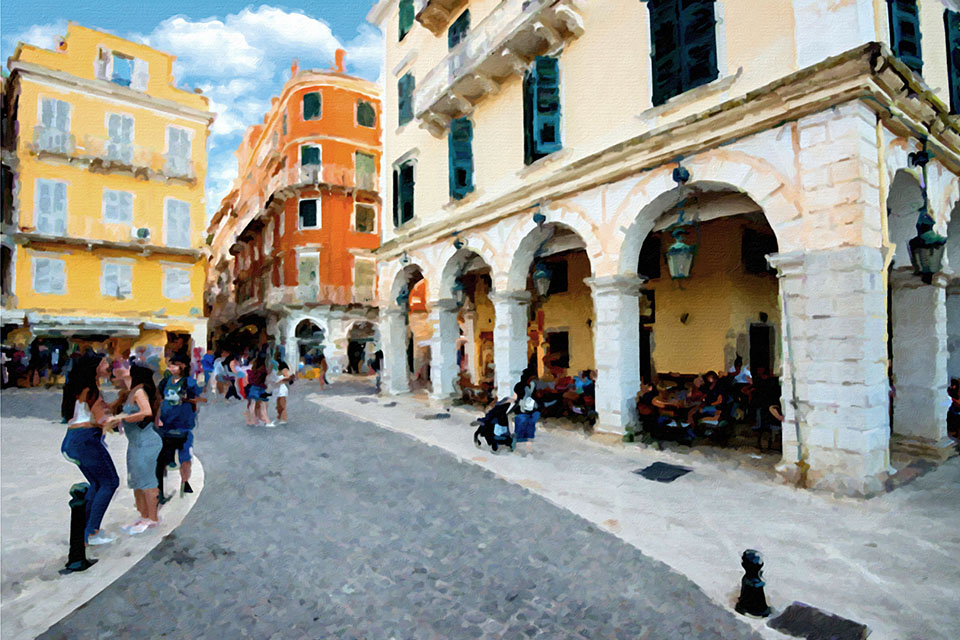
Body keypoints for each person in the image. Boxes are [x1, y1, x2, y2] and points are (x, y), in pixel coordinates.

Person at [60, 352, 119, 545]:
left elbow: (93, 412)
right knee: (110, 482)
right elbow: (101, 420)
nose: (107, 366)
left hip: (73, 440)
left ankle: (84, 530)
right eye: (104, 364)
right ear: (94, 368)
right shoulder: (91, 390)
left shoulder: (78, 388)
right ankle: (92, 532)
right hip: (86, 440)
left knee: (97, 483)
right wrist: (120, 420)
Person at [106, 362, 162, 535]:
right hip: (136, 442)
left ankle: (152, 518)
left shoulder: (139, 392)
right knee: (136, 480)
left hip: (146, 441)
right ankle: (143, 516)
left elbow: (146, 412)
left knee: (147, 480)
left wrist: (122, 419)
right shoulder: (131, 392)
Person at [156, 354, 203, 502]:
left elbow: (199, 399)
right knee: (162, 458)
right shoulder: (165, 381)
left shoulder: (189, 382)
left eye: (174, 365)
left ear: (183, 366)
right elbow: (159, 398)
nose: (171, 368)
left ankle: (185, 481)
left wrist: (186, 399)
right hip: (166, 425)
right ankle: (160, 488)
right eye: (170, 365)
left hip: (183, 425)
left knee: (185, 455)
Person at [512, 374, 540, 453]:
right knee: (522, 425)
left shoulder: (533, 385)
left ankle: (528, 446)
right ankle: (517, 445)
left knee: (530, 426)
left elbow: (536, 396)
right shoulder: (520, 386)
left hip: (531, 408)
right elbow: (516, 398)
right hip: (522, 409)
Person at [246, 356, 273, 427]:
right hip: (261, 389)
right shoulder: (263, 371)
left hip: (253, 389)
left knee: (254, 405)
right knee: (263, 406)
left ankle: (255, 420)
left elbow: (249, 381)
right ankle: (266, 421)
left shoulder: (252, 371)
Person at [273, 358, 293, 425]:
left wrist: (280, 381)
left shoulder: (284, 369)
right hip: (277, 389)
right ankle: (279, 416)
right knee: (278, 405)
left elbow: (288, 377)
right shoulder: (277, 370)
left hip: (282, 389)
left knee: (282, 405)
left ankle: (284, 419)